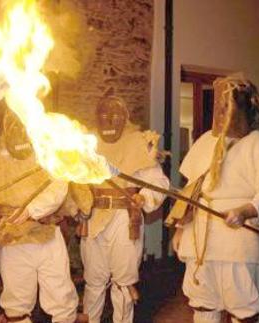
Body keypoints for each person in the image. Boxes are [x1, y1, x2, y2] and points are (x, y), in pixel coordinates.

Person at [168, 77, 259, 323]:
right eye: (221, 107)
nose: (224, 112)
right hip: (200, 240)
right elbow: (191, 190)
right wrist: (181, 228)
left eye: (230, 106)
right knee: (202, 303)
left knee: (242, 307)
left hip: (238, 242)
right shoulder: (204, 142)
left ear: (246, 108)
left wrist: (247, 210)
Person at [0, 110, 80, 323]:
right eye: (13, 126)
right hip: (12, 240)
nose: (19, 131)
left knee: (60, 295)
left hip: (47, 234)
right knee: (16, 303)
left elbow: (57, 188)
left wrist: (32, 209)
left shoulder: (48, 156)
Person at [79, 96, 169, 323]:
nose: (109, 118)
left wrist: (145, 197)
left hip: (125, 218)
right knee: (94, 282)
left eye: (116, 114)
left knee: (123, 283)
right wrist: (78, 202)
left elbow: (158, 182)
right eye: (104, 114)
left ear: (125, 117)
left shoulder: (137, 143)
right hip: (93, 218)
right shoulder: (85, 144)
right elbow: (73, 182)